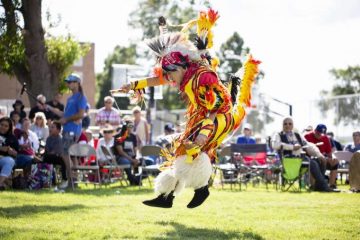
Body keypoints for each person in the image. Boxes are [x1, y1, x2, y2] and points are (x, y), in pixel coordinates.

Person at [111, 9, 260, 208]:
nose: (169, 79)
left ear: (180, 68)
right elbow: (159, 79)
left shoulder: (201, 77)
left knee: (190, 151)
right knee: (181, 152)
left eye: (170, 74)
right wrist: (133, 85)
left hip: (218, 118)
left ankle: (200, 188)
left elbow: (215, 106)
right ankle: (167, 197)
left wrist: (204, 134)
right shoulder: (186, 75)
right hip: (203, 117)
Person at [46, 73, 88, 188]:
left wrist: (66, 120)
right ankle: (72, 181)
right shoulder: (70, 98)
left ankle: (72, 181)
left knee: (65, 155)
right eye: (68, 82)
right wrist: (51, 109)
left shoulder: (81, 97)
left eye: (70, 82)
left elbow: (80, 114)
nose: (68, 84)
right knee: (66, 155)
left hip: (72, 131)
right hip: (67, 130)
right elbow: (64, 114)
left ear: (77, 83)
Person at [272, 117, 333, 192]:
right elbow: (275, 145)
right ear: (282, 125)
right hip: (287, 160)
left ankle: (319, 186)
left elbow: (308, 145)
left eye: (290, 124)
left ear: (293, 125)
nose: (287, 125)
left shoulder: (297, 134)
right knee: (313, 163)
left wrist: (319, 155)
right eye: (285, 124)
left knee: (321, 160)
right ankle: (324, 186)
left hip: (300, 158)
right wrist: (292, 147)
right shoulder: (278, 134)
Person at [304, 124, 339, 189]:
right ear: (315, 131)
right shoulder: (307, 136)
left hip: (322, 158)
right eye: (318, 133)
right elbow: (305, 150)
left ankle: (332, 185)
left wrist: (332, 159)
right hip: (310, 158)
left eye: (321, 134)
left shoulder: (325, 138)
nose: (319, 135)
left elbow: (329, 153)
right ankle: (317, 184)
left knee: (335, 162)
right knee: (316, 162)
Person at [113, 120, 141, 185]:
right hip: (121, 157)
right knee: (126, 162)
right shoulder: (118, 136)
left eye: (132, 126)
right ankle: (132, 180)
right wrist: (132, 160)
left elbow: (135, 149)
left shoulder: (133, 136)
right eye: (130, 126)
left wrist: (136, 158)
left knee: (144, 161)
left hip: (132, 156)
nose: (132, 128)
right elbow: (121, 152)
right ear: (125, 127)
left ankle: (137, 179)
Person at [41, 120, 68, 188]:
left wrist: (50, 152)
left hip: (59, 158)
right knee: (45, 158)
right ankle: (45, 180)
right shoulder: (49, 138)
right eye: (50, 127)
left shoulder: (60, 139)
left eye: (53, 127)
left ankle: (64, 179)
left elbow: (58, 152)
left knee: (62, 161)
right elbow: (47, 150)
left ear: (58, 130)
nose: (50, 129)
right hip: (50, 157)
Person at [0, 117, 19, 191]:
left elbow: (17, 154)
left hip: (5, 159)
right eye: (1, 125)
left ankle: (0, 183)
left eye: (6, 126)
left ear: (9, 127)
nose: (3, 127)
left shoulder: (12, 138)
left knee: (10, 161)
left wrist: (12, 152)